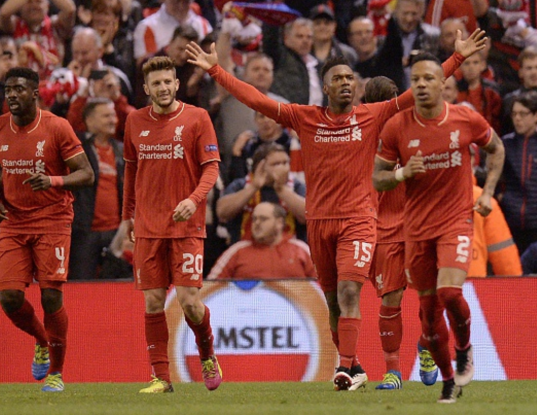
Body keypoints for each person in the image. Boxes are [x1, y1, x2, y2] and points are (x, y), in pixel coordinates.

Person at [186, 27, 487, 392]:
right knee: (332, 302)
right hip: (318, 222)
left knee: (348, 291)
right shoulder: (304, 117)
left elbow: (417, 92)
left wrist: (457, 57)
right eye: (338, 79)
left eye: (349, 78)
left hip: (359, 220)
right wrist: (217, 71)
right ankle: (356, 366)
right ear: (326, 88)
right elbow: (258, 101)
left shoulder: (372, 115)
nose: (345, 83)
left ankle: (344, 368)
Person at [372, 52, 505, 403]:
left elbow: (497, 149)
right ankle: (449, 380)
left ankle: (464, 348)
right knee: (429, 319)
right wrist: (402, 173)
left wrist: (488, 191)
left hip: (456, 221)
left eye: (428, 79)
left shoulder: (464, 118)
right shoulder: (396, 127)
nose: (421, 85)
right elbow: (378, 178)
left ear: (443, 84)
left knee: (449, 294)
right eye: (415, 80)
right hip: (415, 230)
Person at [0, 67, 94, 392]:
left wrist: (53, 180)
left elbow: (86, 174)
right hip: (14, 222)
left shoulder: (57, 127)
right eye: (8, 90)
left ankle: (57, 374)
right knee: (8, 297)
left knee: (50, 296)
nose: (12, 95)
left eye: (19, 89)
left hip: (53, 218)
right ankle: (42, 341)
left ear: (35, 93)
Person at [121, 56, 222, 393]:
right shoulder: (134, 121)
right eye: (156, 83)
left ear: (177, 85)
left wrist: (193, 200)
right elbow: (131, 172)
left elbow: (211, 168)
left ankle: (207, 354)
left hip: (186, 225)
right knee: (152, 302)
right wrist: (127, 216)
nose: (163, 88)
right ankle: (161, 378)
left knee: (190, 302)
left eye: (168, 82)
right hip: (148, 226)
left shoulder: (197, 117)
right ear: (147, 88)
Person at [363, 76, 439, 391]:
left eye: (398, 96)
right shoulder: (363, 134)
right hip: (384, 226)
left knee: (431, 295)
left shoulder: (416, 127)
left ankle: (426, 345)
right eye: (389, 98)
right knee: (390, 300)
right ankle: (393, 372)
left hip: (419, 221)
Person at [69, 97, 124, 280]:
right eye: (106, 116)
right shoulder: (76, 150)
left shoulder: (122, 151)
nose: (113, 120)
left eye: (113, 115)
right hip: (85, 233)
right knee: (81, 286)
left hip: (116, 233)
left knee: (117, 287)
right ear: (90, 120)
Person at [218, 143, 306, 244]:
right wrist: (253, 187)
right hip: (247, 251)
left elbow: (307, 217)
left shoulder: (297, 186)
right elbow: (222, 212)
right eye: (276, 164)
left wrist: (282, 190)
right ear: (260, 166)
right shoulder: (241, 185)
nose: (283, 168)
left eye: (285, 163)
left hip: (288, 253)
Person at [208, 202, 315, 280]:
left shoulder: (301, 250)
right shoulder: (237, 250)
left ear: (280, 223)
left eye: (263, 219)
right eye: (254, 219)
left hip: (293, 310)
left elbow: (322, 285)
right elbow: (211, 286)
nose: (257, 223)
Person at [499, 90, 537, 254]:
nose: (517, 118)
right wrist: (501, 197)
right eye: (514, 114)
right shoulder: (505, 144)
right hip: (511, 223)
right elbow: (493, 175)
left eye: (523, 114)